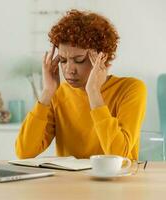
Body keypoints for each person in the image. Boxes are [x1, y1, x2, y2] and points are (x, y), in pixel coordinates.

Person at [15, 9, 147, 161]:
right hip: (70, 183)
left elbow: (118, 155)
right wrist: (46, 92)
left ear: (102, 57)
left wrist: (93, 92)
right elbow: (24, 151)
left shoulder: (131, 89)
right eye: (63, 60)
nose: (69, 70)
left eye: (79, 60)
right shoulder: (58, 93)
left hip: (115, 183)